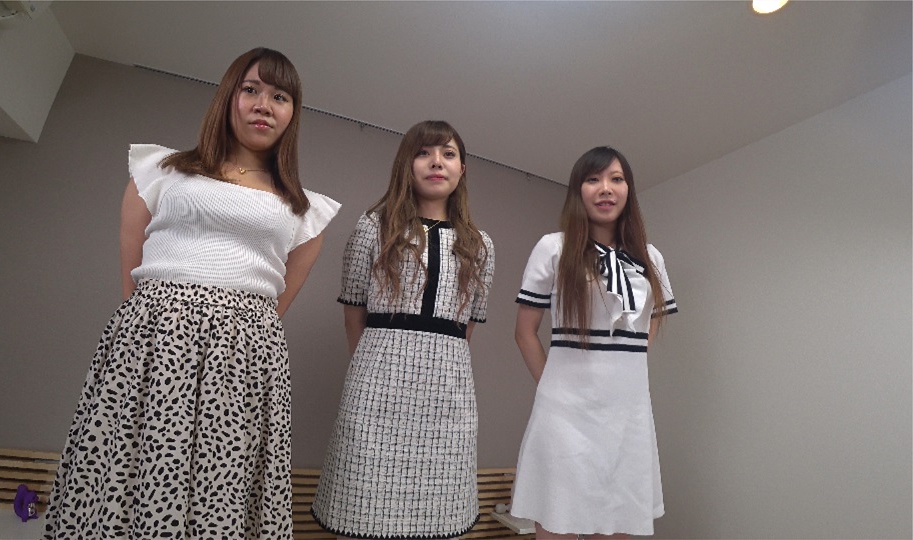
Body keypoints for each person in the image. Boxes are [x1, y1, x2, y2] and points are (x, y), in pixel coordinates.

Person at [43, 48, 340, 540]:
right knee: (134, 465)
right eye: (251, 90)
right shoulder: (161, 170)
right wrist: (155, 327)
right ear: (228, 97)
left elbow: (275, 303)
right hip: (153, 341)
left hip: (243, 355)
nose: (263, 105)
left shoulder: (306, 212)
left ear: (293, 113)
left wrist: (230, 326)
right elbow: (132, 273)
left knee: (221, 481)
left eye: (280, 96)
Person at [310, 120, 495, 539]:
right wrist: (375, 371)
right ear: (406, 164)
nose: (436, 162)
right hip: (375, 390)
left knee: (437, 516)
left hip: (448, 398)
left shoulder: (480, 245)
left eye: (448, 154)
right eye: (424, 152)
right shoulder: (372, 227)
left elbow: (466, 328)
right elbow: (354, 314)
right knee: (363, 510)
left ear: (462, 169)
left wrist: (437, 369)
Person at [509, 147, 677, 539]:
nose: (606, 188)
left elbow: (654, 316)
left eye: (616, 179)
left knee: (619, 523)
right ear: (578, 190)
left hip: (628, 417)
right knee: (557, 519)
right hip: (564, 417)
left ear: (628, 190)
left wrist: (629, 361)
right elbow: (524, 332)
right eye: (593, 179)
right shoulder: (554, 247)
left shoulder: (650, 257)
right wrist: (553, 389)